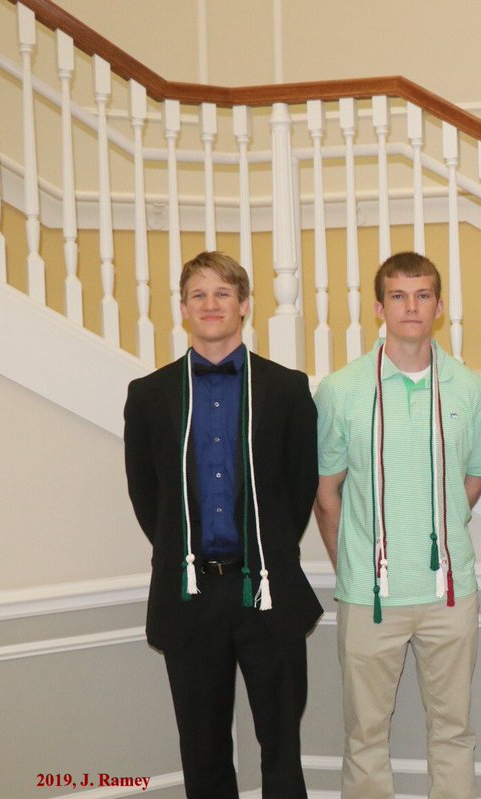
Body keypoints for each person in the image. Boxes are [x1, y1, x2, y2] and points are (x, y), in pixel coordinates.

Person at [123, 251, 321, 798]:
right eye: (198, 295)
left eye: (223, 294)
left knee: (281, 746)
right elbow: (147, 495)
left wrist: (267, 552)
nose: (211, 304)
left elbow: (299, 487)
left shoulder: (287, 389)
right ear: (183, 310)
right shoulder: (149, 396)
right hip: (189, 598)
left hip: (266, 590)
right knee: (202, 749)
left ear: (245, 306)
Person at [313, 252, 481, 799]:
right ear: (379, 307)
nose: (411, 307)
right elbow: (327, 494)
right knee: (365, 736)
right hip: (371, 595)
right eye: (398, 296)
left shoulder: (467, 388)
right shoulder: (342, 390)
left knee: (454, 732)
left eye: (422, 296)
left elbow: (472, 480)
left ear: (439, 307)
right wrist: (353, 561)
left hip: (449, 593)